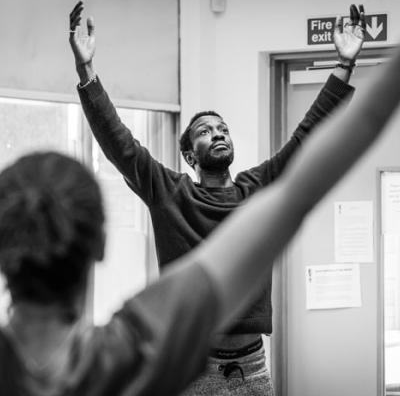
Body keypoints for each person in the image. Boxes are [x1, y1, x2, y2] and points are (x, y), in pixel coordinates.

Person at [2, 28, 400, 395]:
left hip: (252, 366)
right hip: (195, 366)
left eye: (223, 128)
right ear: (190, 154)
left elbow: (308, 137)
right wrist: (87, 72)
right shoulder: (170, 194)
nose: (219, 134)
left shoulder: (256, 187)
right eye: (206, 131)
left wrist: (344, 65)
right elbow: (119, 144)